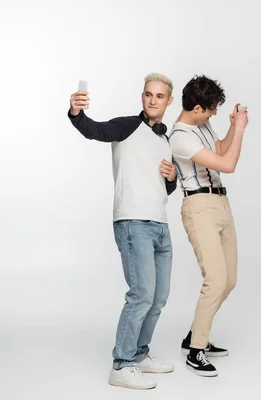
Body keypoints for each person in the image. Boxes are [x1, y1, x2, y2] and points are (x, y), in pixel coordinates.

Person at [67, 73, 178, 390]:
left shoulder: (165, 140)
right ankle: (122, 364)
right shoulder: (127, 126)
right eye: (148, 94)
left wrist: (171, 178)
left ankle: (140, 354)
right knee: (141, 295)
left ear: (169, 101)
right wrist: (77, 113)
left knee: (158, 298)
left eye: (159, 96)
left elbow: (162, 187)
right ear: (143, 97)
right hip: (133, 223)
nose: (152, 100)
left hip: (161, 226)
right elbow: (94, 130)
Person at [168, 75, 248, 377]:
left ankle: (193, 335)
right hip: (198, 206)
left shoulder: (202, 124)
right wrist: (240, 129)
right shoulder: (179, 136)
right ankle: (196, 350)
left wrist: (231, 127)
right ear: (197, 107)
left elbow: (219, 151)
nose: (214, 113)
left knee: (229, 280)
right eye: (212, 109)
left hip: (221, 203)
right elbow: (228, 164)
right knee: (215, 280)